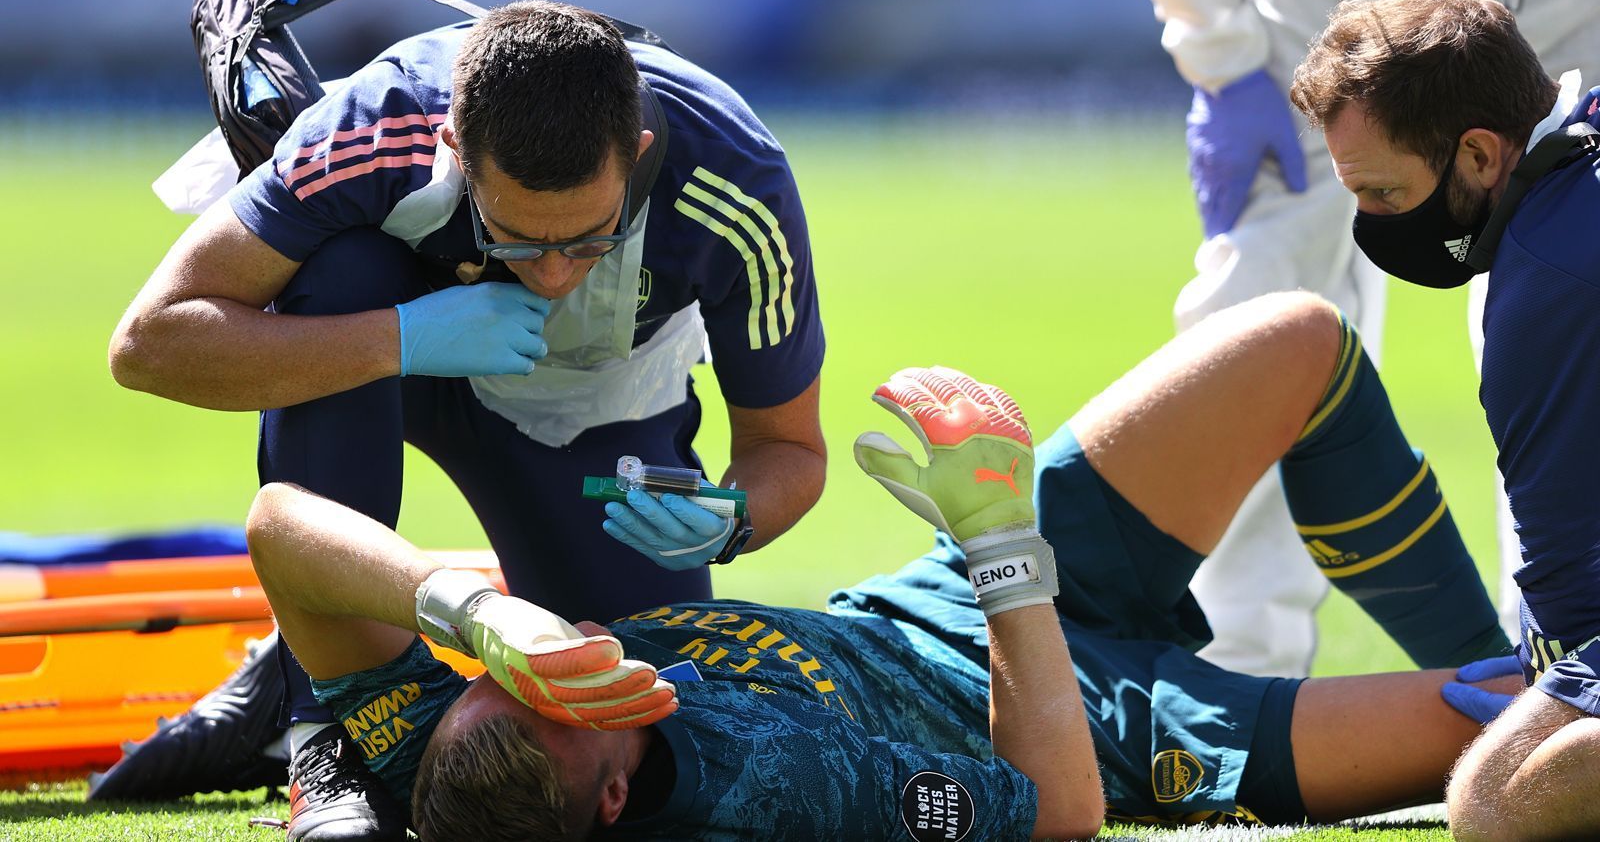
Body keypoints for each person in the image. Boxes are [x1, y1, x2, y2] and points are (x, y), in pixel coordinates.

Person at [243, 291, 1519, 840]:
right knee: (1521, 741)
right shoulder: (762, 790)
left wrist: (472, 612)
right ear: (622, 799)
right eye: (579, 701)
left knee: (1297, 338)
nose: (572, 663)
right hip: (1093, 721)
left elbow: (283, 527)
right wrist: (1005, 548)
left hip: (927, 599)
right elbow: (1058, 811)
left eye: (521, 676)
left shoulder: (448, 765)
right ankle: (1543, 668)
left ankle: (1531, 645)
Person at [102, 0, 826, 838]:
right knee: (340, 268)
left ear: (639, 154)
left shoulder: (737, 180)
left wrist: (732, 522)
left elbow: (789, 451)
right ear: (450, 145)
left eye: (591, 238)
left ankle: (301, 658)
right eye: (516, 237)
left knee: (620, 725)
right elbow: (149, 342)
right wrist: (400, 336)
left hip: (591, 417)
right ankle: (320, 735)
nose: (552, 276)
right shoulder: (376, 123)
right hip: (382, 364)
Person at [1121, 0, 1600, 679]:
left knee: (1562, 302)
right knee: (1259, 304)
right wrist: (1217, 49)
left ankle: (1555, 651)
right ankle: (1238, 670)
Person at [1286, 0, 1600, 837]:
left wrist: (1552, 684)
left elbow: (1576, 592)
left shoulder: (1548, 282)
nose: (1372, 223)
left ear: (1478, 156)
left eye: (1384, 194)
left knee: (1494, 802)